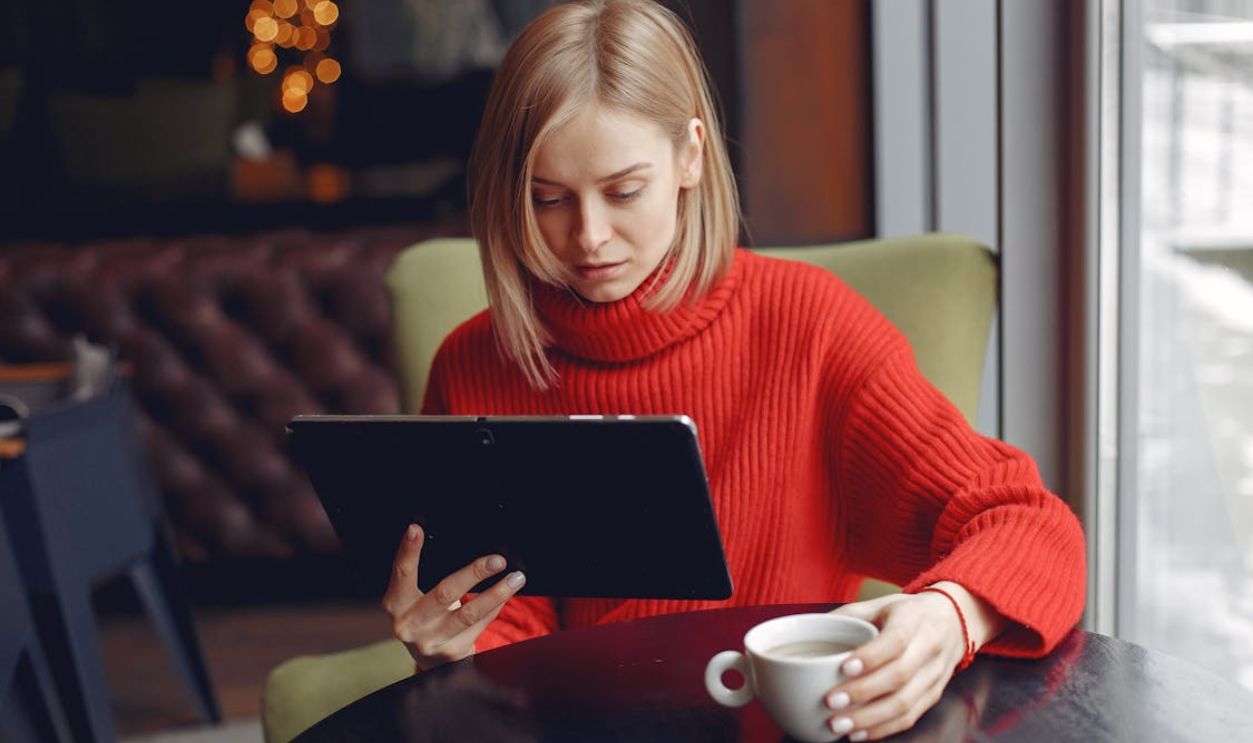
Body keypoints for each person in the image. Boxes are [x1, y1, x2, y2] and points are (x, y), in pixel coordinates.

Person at [381, 0, 1086, 740]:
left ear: (689, 156)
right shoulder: (472, 363)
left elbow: (1031, 525)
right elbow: (509, 635)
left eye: (623, 191)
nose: (587, 237)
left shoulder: (812, 327)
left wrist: (952, 613)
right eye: (547, 199)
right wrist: (449, 650)